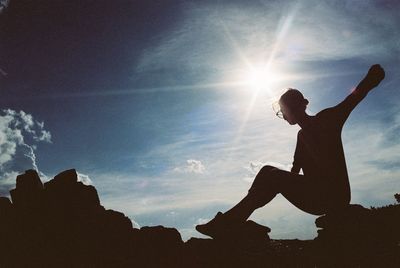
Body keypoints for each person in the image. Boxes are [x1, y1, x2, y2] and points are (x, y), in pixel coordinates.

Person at [196, 64, 385, 238]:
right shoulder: (302, 136)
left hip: (334, 196)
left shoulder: (327, 119)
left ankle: (228, 222)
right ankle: (234, 220)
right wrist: (270, 186)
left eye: (283, 110)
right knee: (267, 171)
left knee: (271, 175)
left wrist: (371, 77)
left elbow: (353, 98)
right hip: (315, 194)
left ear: (295, 107)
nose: (283, 115)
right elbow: (294, 171)